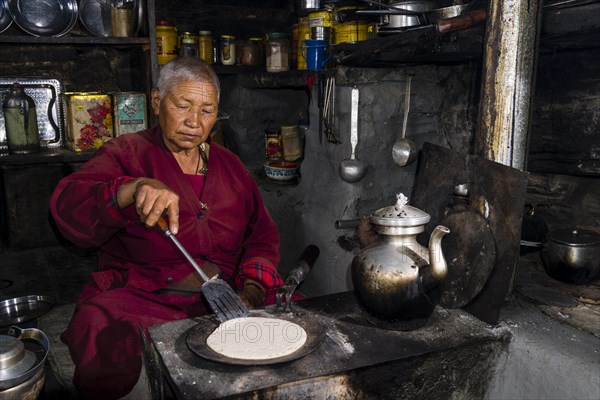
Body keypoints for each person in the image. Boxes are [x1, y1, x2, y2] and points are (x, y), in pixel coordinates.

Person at [50, 57, 284, 399]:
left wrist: (250, 291)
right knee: (102, 327)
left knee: (297, 320)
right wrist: (132, 189)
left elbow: (261, 236)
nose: (194, 121)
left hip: (229, 293)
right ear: (157, 101)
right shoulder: (127, 152)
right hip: (147, 296)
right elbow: (69, 207)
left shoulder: (230, 165)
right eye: (183, 105)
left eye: (207, 110)